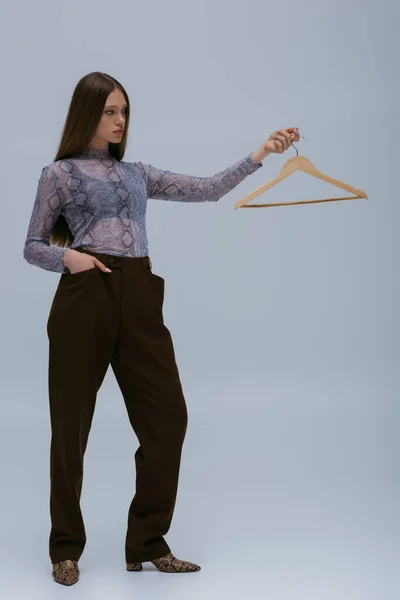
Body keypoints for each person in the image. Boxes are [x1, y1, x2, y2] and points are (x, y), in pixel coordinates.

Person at [23, 70, 300, 586]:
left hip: (141, 293)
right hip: (86, 296)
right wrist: (71, 260)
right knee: (71, 428)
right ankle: (65, 548)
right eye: (110, 111)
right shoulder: (57, 173)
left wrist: (260, 153)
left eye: (124, 111)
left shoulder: (138, 174)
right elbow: (31, 245)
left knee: (168, 419)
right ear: (87, 114)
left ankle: (147, 543)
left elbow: (209, 190)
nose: (120, 120)